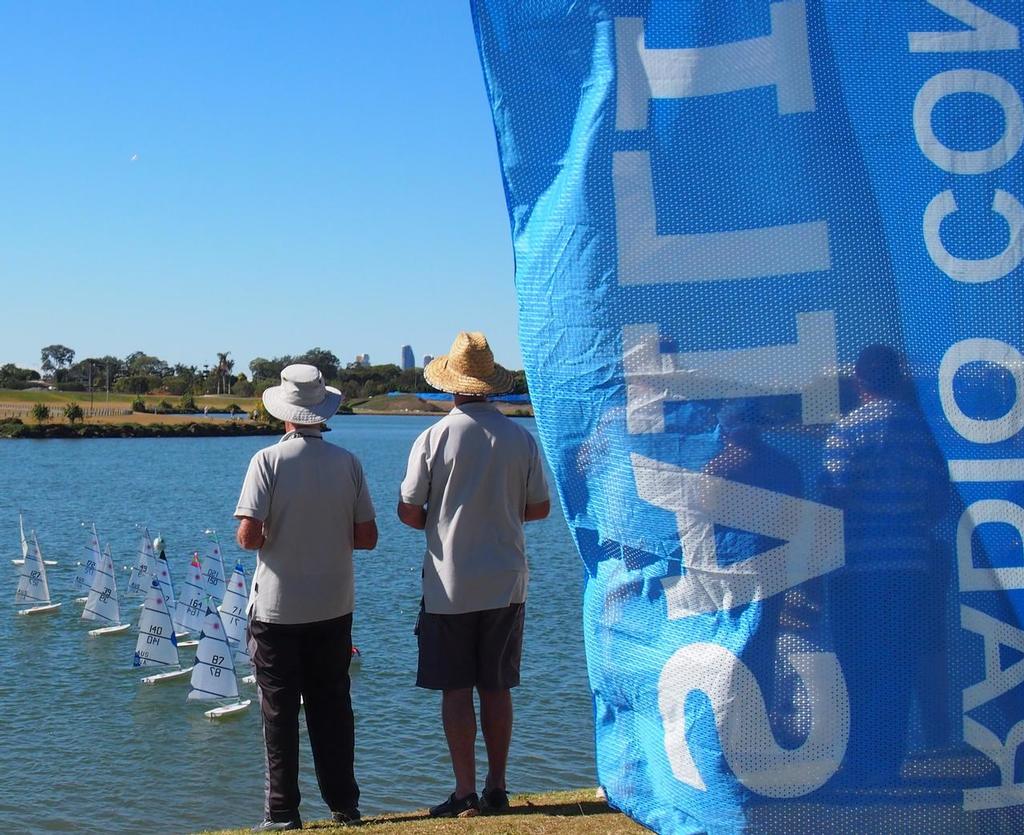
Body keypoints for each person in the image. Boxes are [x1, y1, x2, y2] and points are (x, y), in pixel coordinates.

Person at [398, 332, 550, 818]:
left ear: (452, 386)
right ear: (490, 384)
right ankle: (497, 787)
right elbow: (540, 508)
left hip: (449, 582)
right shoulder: (520, 438)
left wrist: (440, 519)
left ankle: (464, 790)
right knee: (497, 687)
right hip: (507, 580)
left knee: (456, 689)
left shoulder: (434, 437)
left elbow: (408, 510)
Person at [234, 364, 378, 831]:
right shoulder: (348, 462)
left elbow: (248, 537)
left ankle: (282, 813)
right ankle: (345, 805)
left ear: (285, 414)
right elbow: (367, 537)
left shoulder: (266, 461)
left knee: (278, 712)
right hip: (334, 604)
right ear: (321, 411)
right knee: (333, 708)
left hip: (278, 608)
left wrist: (278, 531)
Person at [820, 344, 950, 786]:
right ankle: (888, 762)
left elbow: (833, 500)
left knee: (859, 667)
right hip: (912, 566)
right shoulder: (923, 430)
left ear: (858, 381)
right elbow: (937, 500)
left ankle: (860, 765)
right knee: (898, 665)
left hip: (859, 569)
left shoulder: (847, 431)